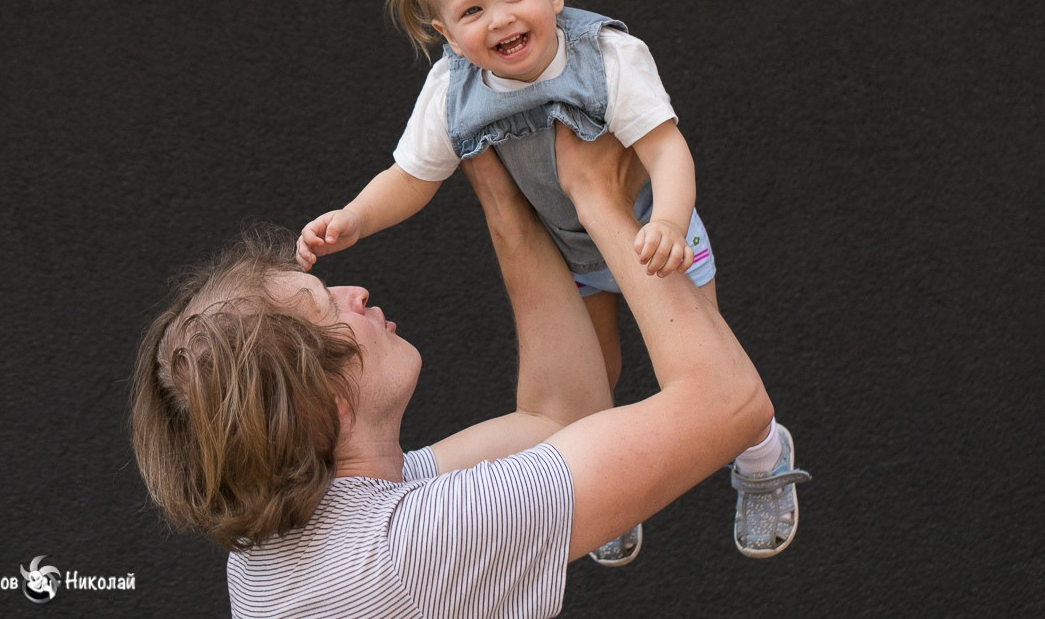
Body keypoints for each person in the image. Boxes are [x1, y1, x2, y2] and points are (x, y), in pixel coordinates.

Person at [294, 0, 806, 562]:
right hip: (574, 256)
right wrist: (356, 217)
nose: (502, 18)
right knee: (591, 382)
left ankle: (764, 454)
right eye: (473, 11)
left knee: (704, 363)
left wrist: (670, 221)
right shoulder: (452, 90)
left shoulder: (606, 56)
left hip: (655, 237)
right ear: (446, 32)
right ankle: (606, 488)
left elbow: (667, 151)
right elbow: (411, 176)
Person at [132, 131, 805, 617]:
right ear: (320, 402)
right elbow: (730, 404)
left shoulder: (273, 548)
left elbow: (559, 418)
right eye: (326, 307)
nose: (354, 292)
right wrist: (600, 197)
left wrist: (490, 161)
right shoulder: (414, 546)